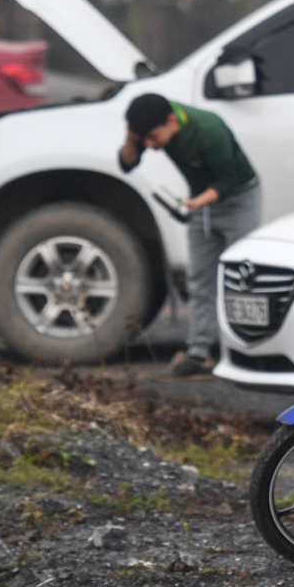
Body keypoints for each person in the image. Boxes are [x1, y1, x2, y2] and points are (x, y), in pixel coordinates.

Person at [118, 93, 261, 377]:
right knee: (199, 278)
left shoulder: (209, 129)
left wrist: (195, 204)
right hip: (201, 203)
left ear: (171, 120)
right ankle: (198, 351)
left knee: (240, 278)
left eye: (153, 138)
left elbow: (229, 181)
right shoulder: (153, 125)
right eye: (144, 139)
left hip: (238, 199)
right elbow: (127, 164)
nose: (151, 146)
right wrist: (131, 137)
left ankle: (245, 351)